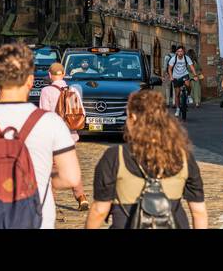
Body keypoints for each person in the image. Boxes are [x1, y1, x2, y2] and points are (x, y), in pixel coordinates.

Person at [0, 41, 82, 230]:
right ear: (30, 81)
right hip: (36, 220)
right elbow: (71, 178)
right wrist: (39, 180)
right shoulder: (52, 123)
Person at [86, 89, 208, 230]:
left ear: (134, 118)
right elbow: (199, 212)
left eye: (128, 117)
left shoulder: (115, 156)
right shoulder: (183, 156)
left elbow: (99, 211)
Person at [38, 62, 88, 211]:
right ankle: (81, 197)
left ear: (49, 75)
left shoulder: (46, 91)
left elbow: (44, 115)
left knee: (49, 169)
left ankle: (50, 202)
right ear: (64, 74)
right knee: (72, 167)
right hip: (70, 137)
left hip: (53, 137)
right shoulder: (73, 89)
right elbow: (82, 113)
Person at [167, 46, 195, 118]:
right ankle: (178, 109)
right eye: (178, 51)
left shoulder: (186, 58)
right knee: (177, 94)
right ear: (176, 52)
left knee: (188, 85)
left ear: (183, 52)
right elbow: (169, 69)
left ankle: (188, 96)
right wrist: (171, 76)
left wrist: (195, 75)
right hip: (176, 77)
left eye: (181, 51)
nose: (180, 53)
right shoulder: (173, 59)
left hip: (184, 74)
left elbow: (191, 67)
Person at [163, 43, 178, 107]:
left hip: (168, 74)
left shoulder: (167, 56)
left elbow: (164, 67)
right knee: (174, 88)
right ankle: (174, 103)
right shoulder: (177, 57)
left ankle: (168, 103)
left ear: (170, 49)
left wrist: (163, 75)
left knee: (167, 88)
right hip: (175, 74)